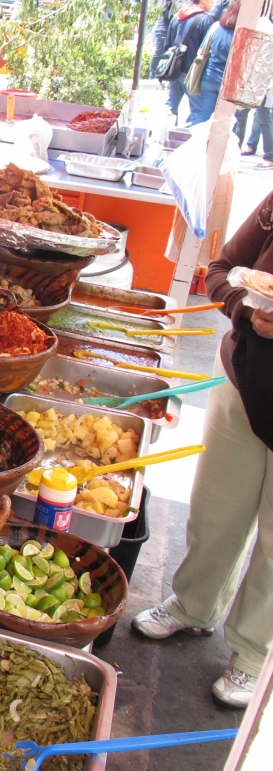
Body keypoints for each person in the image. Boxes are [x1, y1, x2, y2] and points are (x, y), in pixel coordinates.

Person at [132, 190, 273, 708]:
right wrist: (244, 306)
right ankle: (193, 606)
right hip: (245, 379)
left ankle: (253, 655)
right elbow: (223, 268)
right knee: (216, 510)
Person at [167, 0, 215, 122]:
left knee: (171, 107)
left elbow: (168, 43)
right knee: (198, 110)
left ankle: (164, 134)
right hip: (192, 71)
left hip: (173, 68)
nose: (213, 3)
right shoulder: (205, 19)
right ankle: (188, 139)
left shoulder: (178, 16)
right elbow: (207, 48)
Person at [190, 0, 241, 125]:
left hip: (209, 78)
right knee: (227, 123)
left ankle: (200, 143)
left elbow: (202, 49)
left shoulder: (216, 27)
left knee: (205, 118)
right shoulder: (241, 34)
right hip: (229, 84)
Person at [149, 0, 185, 79]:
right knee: (159, 52)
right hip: (163, 28)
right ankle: (152, 75)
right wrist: (175, 16)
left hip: (170, 28)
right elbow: (163, 11)